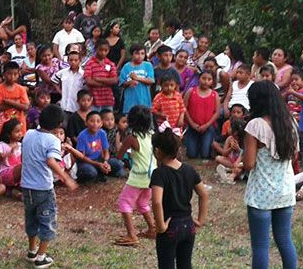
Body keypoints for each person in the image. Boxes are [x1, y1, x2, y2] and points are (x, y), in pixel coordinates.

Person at [242, 81, 298, 269]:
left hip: (261, 194)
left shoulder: (255, 125)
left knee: (260, 246)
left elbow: (249, 164)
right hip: (285, 191)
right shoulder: (290, 122)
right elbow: (294, 155)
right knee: (284, 239)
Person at [21, 104, 77, 268]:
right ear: (59, 124)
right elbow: (51, 161)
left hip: (26, 187)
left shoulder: (29, 134)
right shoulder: (53, 140)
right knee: (47, 220)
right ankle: (41, 256)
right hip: (43, 188)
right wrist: (66, 178)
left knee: (31, 218)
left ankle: (32, 250)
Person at [150, 127, 209, 269]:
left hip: (170, 227)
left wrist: (160, 225)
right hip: (188, 226)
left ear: (157, 151)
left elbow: (157, 201)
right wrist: (201, 219)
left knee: (166, 265)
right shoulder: (189, 169)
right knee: (185, 264)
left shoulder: (159, 173)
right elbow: (203, 194)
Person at [114, 106, 157, 246]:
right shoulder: (152, 134)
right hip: (152, 174)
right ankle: (152, 228)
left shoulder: (131, 138)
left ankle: (131, 235)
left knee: (124, 202)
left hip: (138, 176)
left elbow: (119, 155)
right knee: (142, 203)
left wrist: (120, 146)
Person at [75, 111, 125, 182]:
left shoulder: (102, 133)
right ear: (86, 123)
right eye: (92, 121)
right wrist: (98, 164)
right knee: (91, 172)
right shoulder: (82, 136)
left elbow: (106, 151)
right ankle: (97, 173)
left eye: (98, 121)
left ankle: (101, 172)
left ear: (101, 123)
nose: (95, 124)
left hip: (99, 160)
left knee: (118, 164)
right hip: (86, 162)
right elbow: (81, 157)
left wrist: (105, 162)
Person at [183, 71, 220, 160]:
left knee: (205, 155)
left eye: (209, 79)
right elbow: (184, 108)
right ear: (199, 79)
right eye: (203, 78)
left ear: (212, 81)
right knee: (192, 155)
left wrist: (207, 125)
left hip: (208, 127)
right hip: (193, 127)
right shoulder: (191, 91)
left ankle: (207, 143)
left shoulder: (214, 94)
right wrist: (192, 124)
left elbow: (217, 112)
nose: (206, 81)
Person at [0, 61, 30, 136]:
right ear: (4, 74)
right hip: (4, 122)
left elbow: (25, 107)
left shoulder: (21, 89)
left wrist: (8, 101)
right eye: (9, 74)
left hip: (19, 122)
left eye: (15, 74)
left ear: (19, 74)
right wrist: (17, 103)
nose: (12, 76)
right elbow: (0, 107)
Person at [83, 39, 118, 111]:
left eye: (106, 50)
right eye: (101, 50)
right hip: (94, 100)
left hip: (108, 99)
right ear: (96, 49)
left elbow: (114, 80)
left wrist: (98, 79)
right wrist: (107, 83)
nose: (103, 53)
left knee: (108, 121)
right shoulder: (90, 63)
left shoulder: (111, 64)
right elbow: (88, 81)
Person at [119, 44, 155, 114]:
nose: (140, 56)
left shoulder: (148, 65)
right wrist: (129, 83)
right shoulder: (126, 67)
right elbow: (121, 83)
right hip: (130, 103)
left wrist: (137, 78)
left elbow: (151, 81)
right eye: (137, 53)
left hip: (145, 102)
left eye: (142, 53)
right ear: (132, 54)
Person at [0, 119, 24, 193]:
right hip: (4, 174)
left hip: (17, 174)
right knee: (25, 166)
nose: (20, 134)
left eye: (20, 131)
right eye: (17, 131)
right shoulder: (2, 145)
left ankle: (13, 191)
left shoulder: (20, 145)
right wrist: (8, 153)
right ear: (8, 134)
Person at [50, 51, 84, 119]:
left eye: (75, 60)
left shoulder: (83, 74)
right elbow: (53, 80)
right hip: (64, 105)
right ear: (68, 61)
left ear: (80, 61)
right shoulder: (63, 72)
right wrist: (60, 91)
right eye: (71, 60)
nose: (73, 62)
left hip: (77, 106)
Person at [215, 119, 245, 184]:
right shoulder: (229, 139)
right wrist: (231, 148)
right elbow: (224, 154)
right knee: (218, 158)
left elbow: (244, 154)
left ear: (235, 132)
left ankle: (230, 176)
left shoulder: (243, 140)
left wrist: (238, 149)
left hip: (240, 164)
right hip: (231, 162)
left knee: (238, 169)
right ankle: (229, 171)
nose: (228, 128)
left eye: (230, 127)